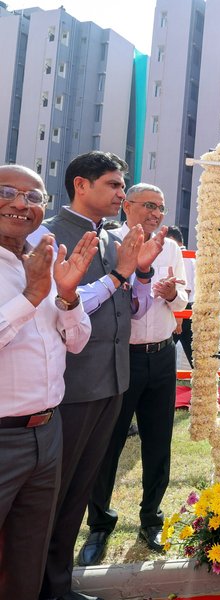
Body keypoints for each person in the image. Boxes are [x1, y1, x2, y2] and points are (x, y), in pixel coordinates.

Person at [39, 151, 164, 600]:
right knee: (49, 496)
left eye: (123, 186)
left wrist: (142, 273)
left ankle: (58, 583)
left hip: (113, 380)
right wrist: (121, 273)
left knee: (77, 491)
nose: (121, 194)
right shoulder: (47, 237)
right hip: (69, 386)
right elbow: (57, 307)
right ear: (81, 185)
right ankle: (32, 584)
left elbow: (134, 310)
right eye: (113, 185)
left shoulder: (116, 240)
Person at [0, 165, 95, 600]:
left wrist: (68, 296)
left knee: (28, 557)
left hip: (46, 432)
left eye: (34, 197)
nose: (22, 204)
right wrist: (31, 296)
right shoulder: (33, 277)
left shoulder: (45, 260)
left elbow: (76, 342)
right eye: (8, 192)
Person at [79, 184, 187, 566]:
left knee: (158, 443)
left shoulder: (170, 247)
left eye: (161, 207)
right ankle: (99, 524)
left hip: (162, 355)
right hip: (120, 357)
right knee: (107, 444)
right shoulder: (109, 243)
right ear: (127, 206)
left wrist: (171, 294)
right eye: (149, 205)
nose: (156, 213)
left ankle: (151, 519)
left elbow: (184, 299)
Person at [167, 226, 195, 367]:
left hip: (183, 308)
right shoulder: (185, 256)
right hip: (183, 308)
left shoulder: (183, 256)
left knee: (168, 350)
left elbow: (186, 288)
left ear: (172, 239)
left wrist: (179, 318)